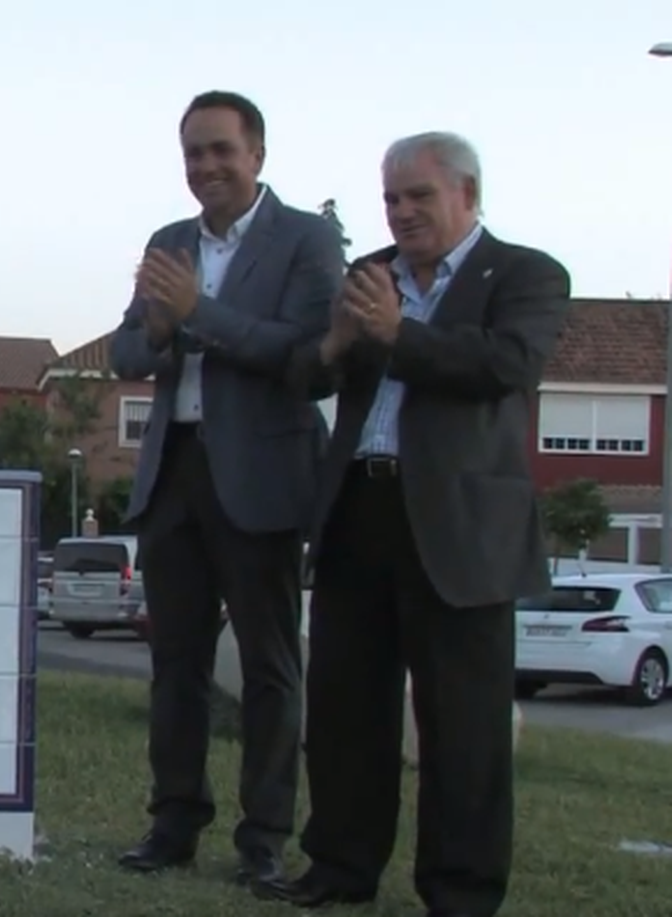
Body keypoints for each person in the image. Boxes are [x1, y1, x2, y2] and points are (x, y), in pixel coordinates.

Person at [259, 131, 570, 917]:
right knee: (345, 712)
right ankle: (339, 868)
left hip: (459, 528)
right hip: (360, 507)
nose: (400, 212)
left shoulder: (525, 274)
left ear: (467, 194)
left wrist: (401, 335)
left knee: (462, 729)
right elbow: (305, 375)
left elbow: (504, 367)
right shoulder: (369, 278)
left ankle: (460, 891)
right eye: (391, 198)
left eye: (418, 196)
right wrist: (336, 341)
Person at [108, 90, 344, 886]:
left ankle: (264, 839)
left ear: (258, 156)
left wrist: (196, 313)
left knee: (273, 668)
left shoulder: (308, 239)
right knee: (176, 664)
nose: (206, 167)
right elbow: (125, 351)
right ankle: (173, 825)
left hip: (262, 479)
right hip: (173, 474)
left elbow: (306, 353)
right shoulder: (169, 241)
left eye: (221, 151)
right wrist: (164, 327)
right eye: (193, 154)